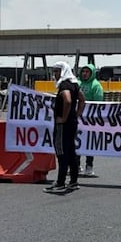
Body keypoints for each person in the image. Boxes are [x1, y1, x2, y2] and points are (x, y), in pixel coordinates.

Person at [45, 61, 83, 194]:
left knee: (61, 152)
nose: (55, 74)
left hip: (63, 124)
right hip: (72, 123)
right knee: (71, 151)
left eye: (57, 71)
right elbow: (82, 99)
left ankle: (61, 182)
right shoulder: (74, 84)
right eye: (54, 71)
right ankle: (73, 181)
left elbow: (67, 100)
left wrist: (64, 117)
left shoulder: (65, 85)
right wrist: (76, 114)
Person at [77, 63, 103, 177]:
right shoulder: (77, 84)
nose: (85, 74)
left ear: (92, 73)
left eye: (87, 72)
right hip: (78, 118)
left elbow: (98, 103)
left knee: (89, 143)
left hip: (90, 120)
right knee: (76, 142)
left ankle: (89, 166)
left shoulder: (96, 86)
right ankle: (76, 165)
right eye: (83, 71)